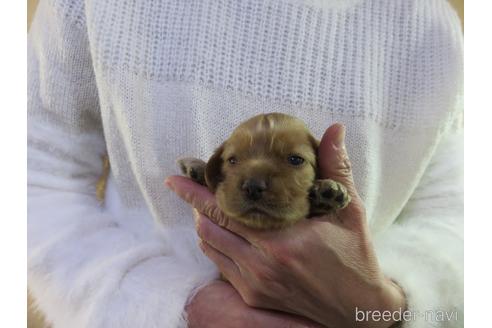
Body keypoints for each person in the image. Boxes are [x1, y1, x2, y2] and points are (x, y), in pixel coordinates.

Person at [27, 0, 463, 327]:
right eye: (233, 162)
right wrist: (168, 306)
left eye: (294, 160)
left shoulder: (432, 29)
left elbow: (461, 215)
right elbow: (29, 175)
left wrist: (385, 306)